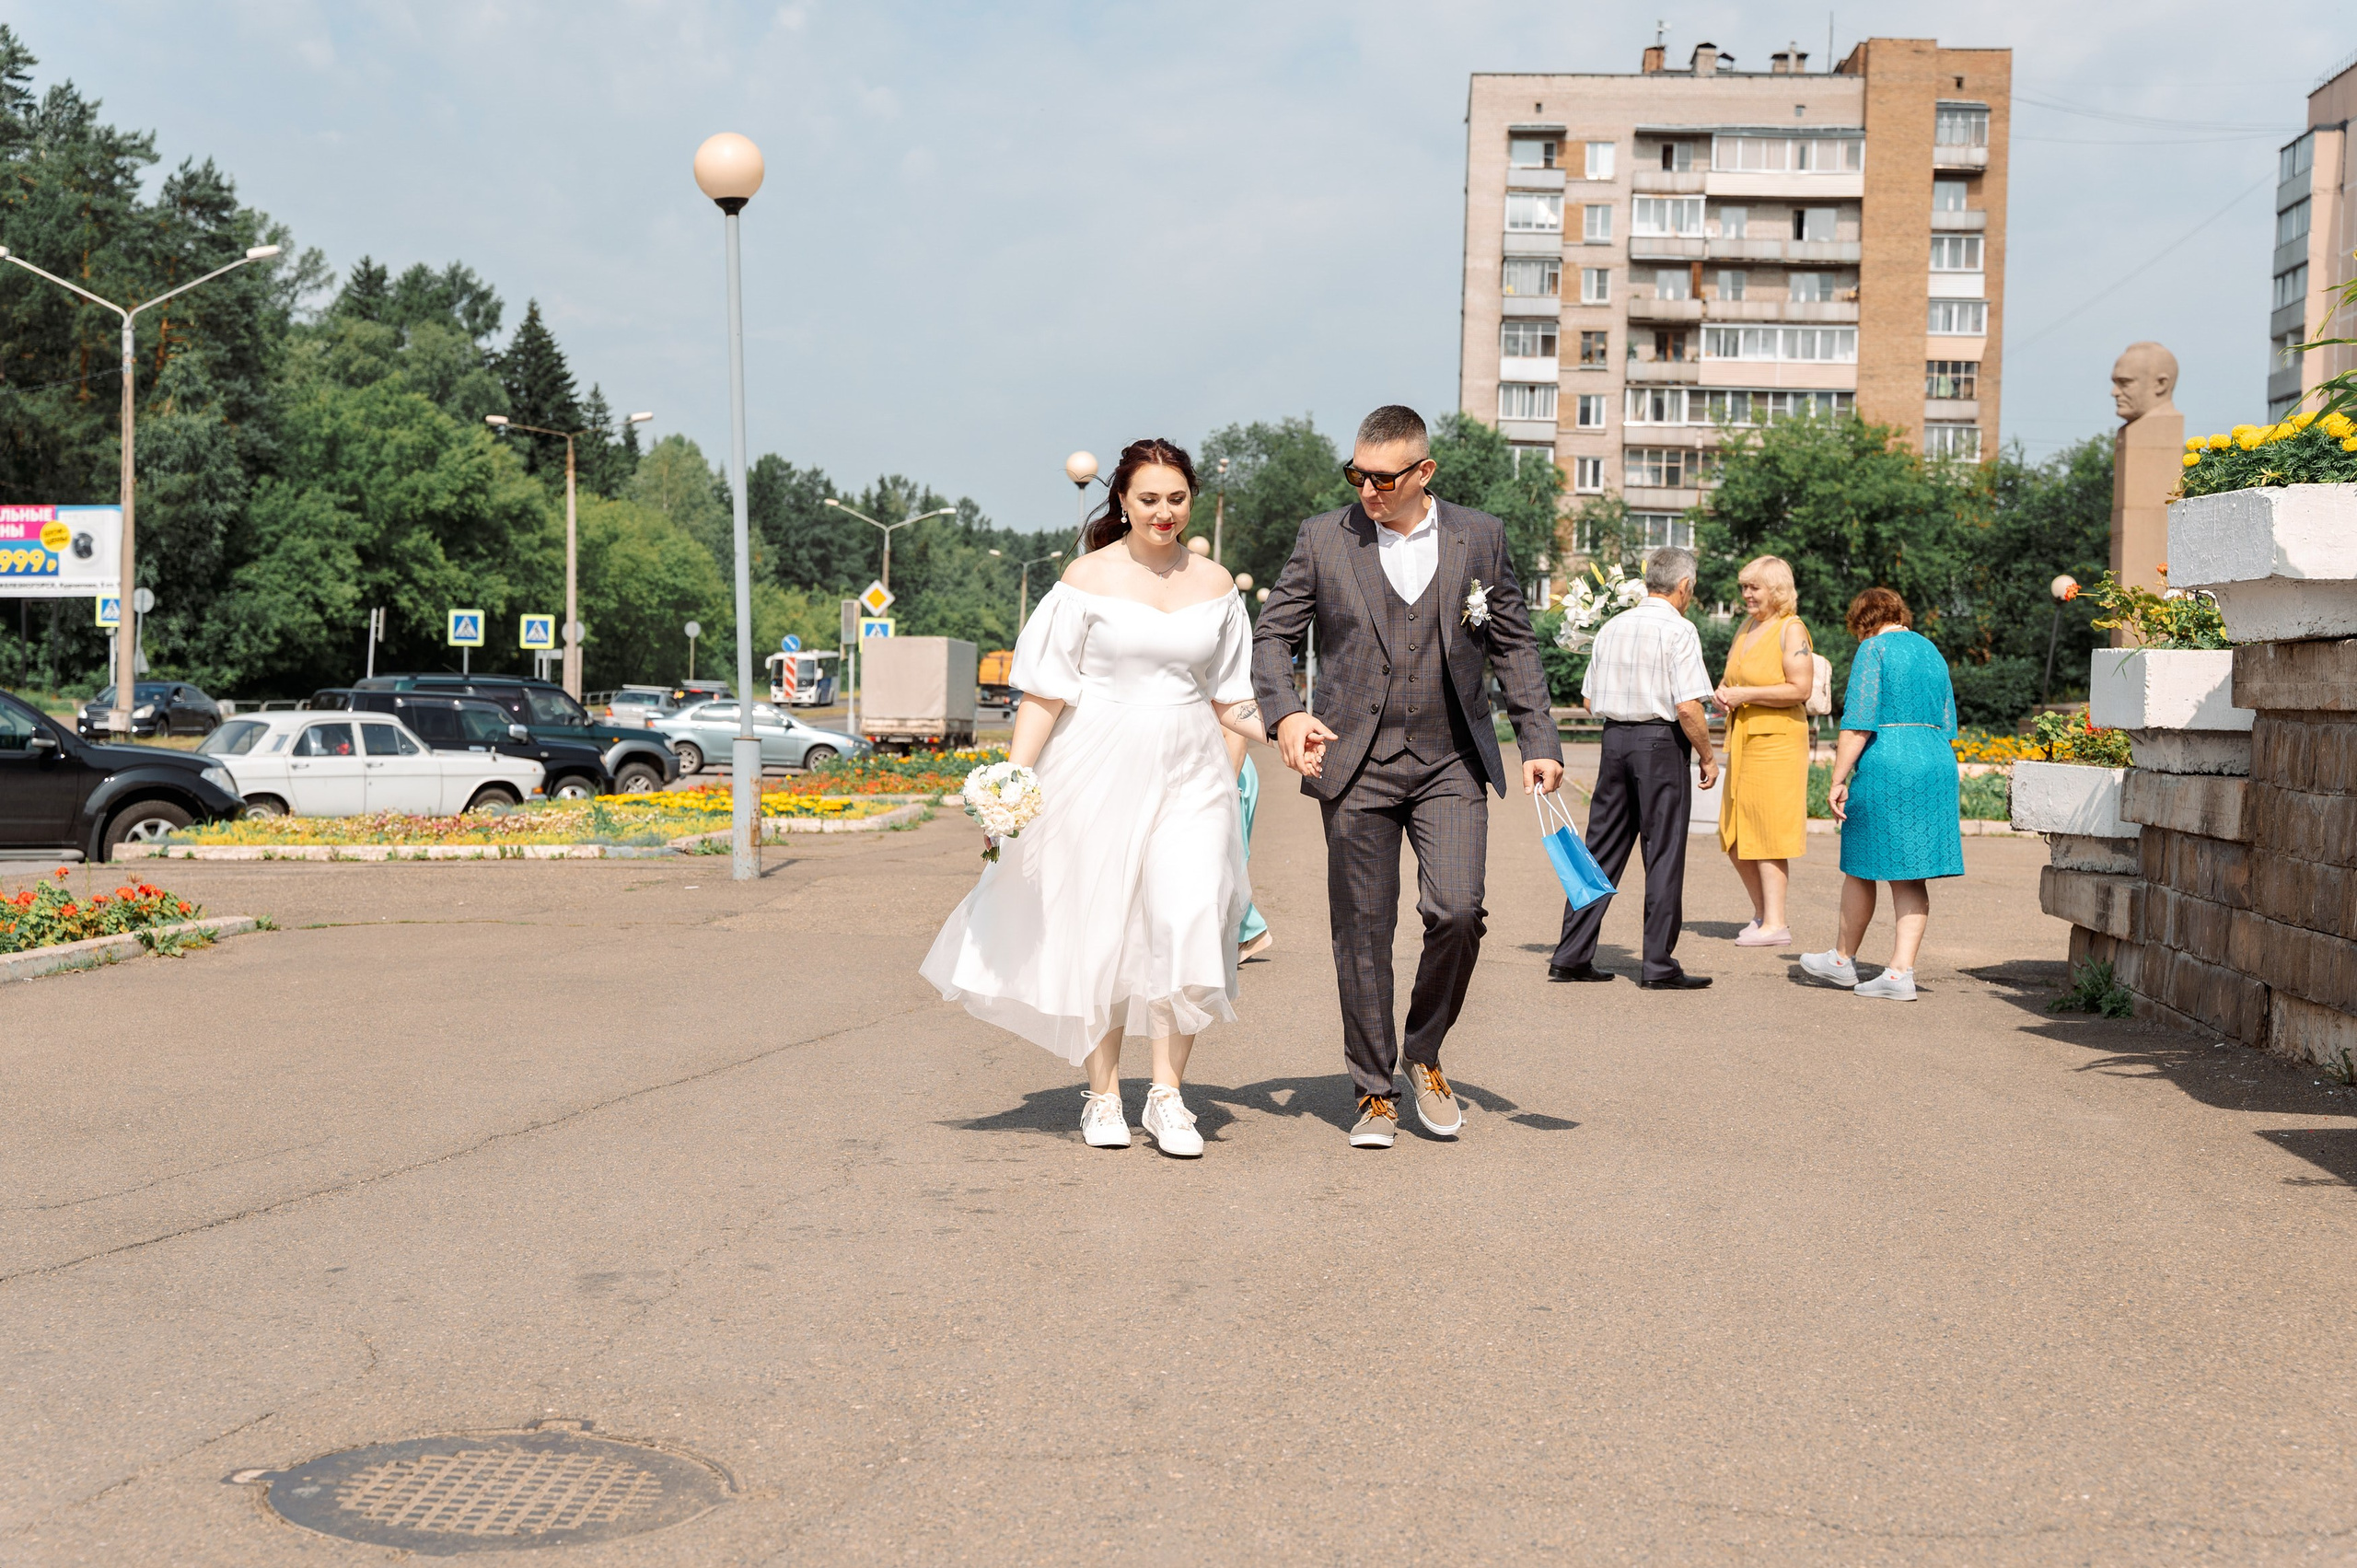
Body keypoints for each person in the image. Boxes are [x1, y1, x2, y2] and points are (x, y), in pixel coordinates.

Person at [921, 439, 1270, 1156]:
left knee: (1189, 917)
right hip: (1098, 766)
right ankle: (1105, 1095)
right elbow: (1046, 691)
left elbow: (1234, 698)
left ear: (1190, 500)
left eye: (1176, 499)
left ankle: (1169, 1098)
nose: (1164, 513)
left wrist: (1279, 743)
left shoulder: (1216, 586)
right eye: (1149, 499)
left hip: (1195, 775)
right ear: (1122, 500)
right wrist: (1014, 780)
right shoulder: (1086, 578)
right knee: (1105, 930)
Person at [1252, 403, 1564, 1149]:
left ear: (1424, 472)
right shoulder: (1324, 537)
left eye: (1383, 477)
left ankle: (1423, 1051)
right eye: (1356, 473)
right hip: (1352, 759)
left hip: (1450, 758)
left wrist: (1538, 737)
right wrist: (1287, 714)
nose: (1367, 489)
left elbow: (1514, 643)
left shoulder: (1479, 536)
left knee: (1458, 911)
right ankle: (1373, 1090)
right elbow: (1274, 636)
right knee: (1362, 930)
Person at [1549, 546, 1717, 990]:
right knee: (1662, 852)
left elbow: (1588, 701)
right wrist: (1707, 754)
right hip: (1660, 745)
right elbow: (1688, 707)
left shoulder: (1612, 628)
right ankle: (1658, 964)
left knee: (1599, 848)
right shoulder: (1680, 630)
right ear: (1684, 586)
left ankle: (1571, 954)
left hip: (1614, 741)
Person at [1800, 587, 1965, 1002]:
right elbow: (1948, 718)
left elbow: (1858, 721)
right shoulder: (1932, 651)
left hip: (1890, 761)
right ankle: (1899, 973)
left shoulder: (1874, 650)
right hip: (1936, 761)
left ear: (1864, 621)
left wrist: (1837, 779)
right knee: (1910, 870)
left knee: (1861, 861)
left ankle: (1842, 960)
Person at [1713, 555, 1814, 947]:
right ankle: (1761, 913)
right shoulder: (1747, 626)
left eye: (1754, 587)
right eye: (1744, 587)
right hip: (1743, 738)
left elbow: (1800, 689)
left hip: (1776, 743)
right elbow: (1733, 678)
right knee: (1735, 832)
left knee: (1768, 833)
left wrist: (1745, 694)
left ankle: (1777, 923)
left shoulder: (1792, 630)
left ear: (1777, 590)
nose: (1746, 594)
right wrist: (1724, 693)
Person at [1230, 745, 1273, 960]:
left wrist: (1229, 784)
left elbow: (1237, 735)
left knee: (1228, 860)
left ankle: (1248, 933)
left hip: (1232, 768)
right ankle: (1248, 931)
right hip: (1227, 766)